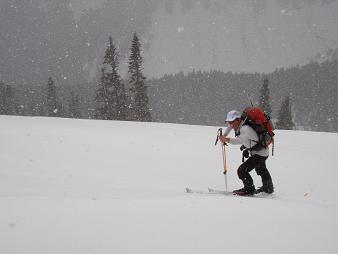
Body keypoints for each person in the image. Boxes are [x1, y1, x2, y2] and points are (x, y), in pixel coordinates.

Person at [219, 110, 274, 195]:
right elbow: (230, 127)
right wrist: (225, 135)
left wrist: (226, 139)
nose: (230, 124)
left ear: (238, 120)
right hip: (260, 151)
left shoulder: (245, 128)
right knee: (261, 169)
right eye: (229, 122)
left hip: (260, 153)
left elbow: (239, 140)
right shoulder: (240, 123)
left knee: (242, 170)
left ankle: (249, 189)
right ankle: (268, 188)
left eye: (232, 122)